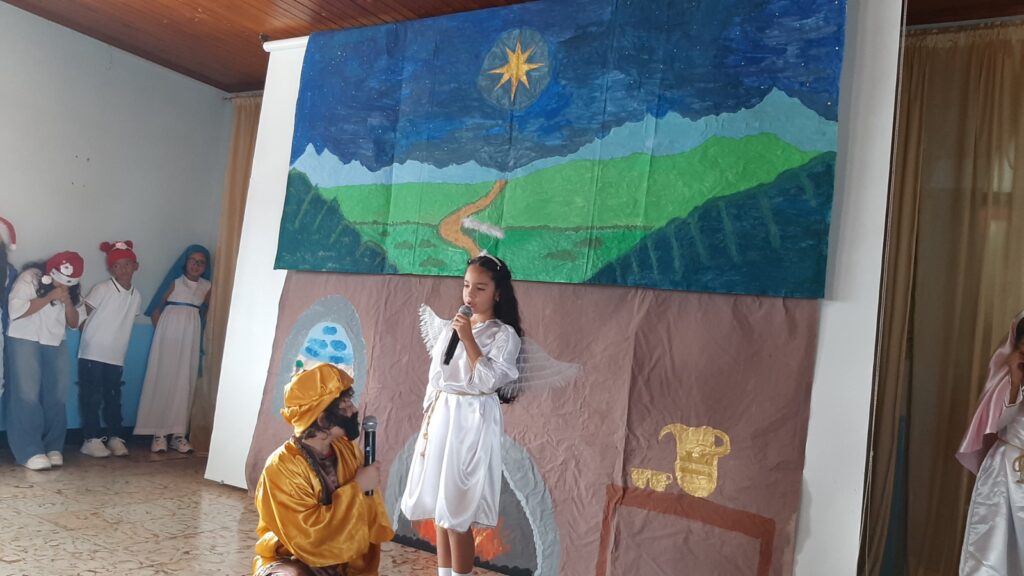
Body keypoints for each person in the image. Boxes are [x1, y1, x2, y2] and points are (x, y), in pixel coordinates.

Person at [401, 253, 523, 576]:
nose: (470, 295)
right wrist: (430, 417)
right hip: (443, 416)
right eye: (466, 286)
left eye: (480, 288)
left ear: (498, 293)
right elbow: (437, 375)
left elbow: (488, 381)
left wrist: (468, 338)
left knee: (456, 513)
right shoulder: (451, 327)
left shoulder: (503, 335)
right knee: (440, 512)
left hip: (471, 421)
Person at [253, 362, 394, 576]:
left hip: (343, 560)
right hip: (291, 557)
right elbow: (307, 536)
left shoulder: (348, 451)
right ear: (322, 418)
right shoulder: (281, 466)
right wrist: (357, 488)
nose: (354, 410)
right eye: (345, 405)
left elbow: (366, 521)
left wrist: (367, 488)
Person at [6, 251, 87, 470]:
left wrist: (67, 302)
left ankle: (53, 446)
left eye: (69, 282)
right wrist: (49, 297)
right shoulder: (30, 277)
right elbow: (16, 311)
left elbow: (74, 323)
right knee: (27, 394)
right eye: (61, 279)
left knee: (57, 395)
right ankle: (29, 450)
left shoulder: (72, 290)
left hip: (55, 341)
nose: (63, 284)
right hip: (24, 338)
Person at [957, 311, 1024, 574]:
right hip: (1005, 470)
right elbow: (998, 421)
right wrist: (1015, 381)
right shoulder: (1009, 376)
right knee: (996, 542)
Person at [134, 245, 211, 453]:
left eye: (201, 262)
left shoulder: (207, 286)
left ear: (206, 266)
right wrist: (163, 334)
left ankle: (178, 434)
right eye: (192, 260)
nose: (196, 265)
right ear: (185, 262)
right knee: (164, 377)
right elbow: (156, 309)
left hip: (191, 335)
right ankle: (158, 433)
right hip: (168, 334)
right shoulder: (175, 282)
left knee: (184, 380)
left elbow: (204, 312)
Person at [78, 241, 142, 458]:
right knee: (92, 396)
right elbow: (82, 314)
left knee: (113, 396)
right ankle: (91, 439)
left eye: (127, 264)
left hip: (116, 355)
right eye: (117, 265)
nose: (123, 269)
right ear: (111, 269)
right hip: (93, 353)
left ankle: (115, 436)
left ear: (136, 266)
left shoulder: (136, 295)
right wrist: (89, 337)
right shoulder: (102, 289)